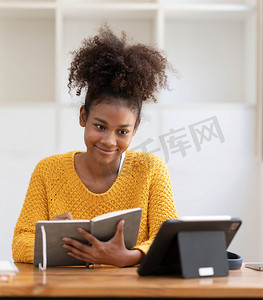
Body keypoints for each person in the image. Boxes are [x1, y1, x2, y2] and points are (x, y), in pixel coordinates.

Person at [12, 25, 178, 267]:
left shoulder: (151, 169)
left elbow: (168, 239)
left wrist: (128, 257)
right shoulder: (48, 171)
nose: (109, 141)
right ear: (83, 117)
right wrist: (47, 238)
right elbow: (20, 242)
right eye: (100, 126)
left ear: (136, 128)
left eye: (122, 131)